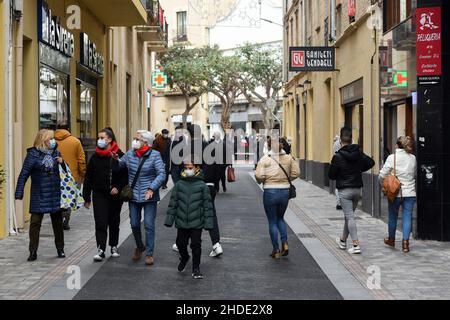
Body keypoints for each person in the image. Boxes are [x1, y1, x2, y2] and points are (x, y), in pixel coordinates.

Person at [113, 130, 166, 266]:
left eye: (137, 139)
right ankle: (139, 246)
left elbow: (161, 174)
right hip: (133, 195)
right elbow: (120, 166)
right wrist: (115, 160)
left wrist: (151, 188)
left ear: (146, 143)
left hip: (149, 196)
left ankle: (149, 253)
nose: (135, 141)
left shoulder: (155, 155)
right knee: (134, 224)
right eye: (134, 138)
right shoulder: (130, 153)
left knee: (149, 225)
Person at [15, 129, 65, 261]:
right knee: (35, 223)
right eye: (51, 138)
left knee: (58, 223)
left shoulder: (56, 153)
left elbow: (65, 174)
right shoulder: (33, 155)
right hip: (39, 194)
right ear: (43, 140)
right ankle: (33, 251)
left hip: (55, 193)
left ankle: (60, 249)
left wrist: (62, 163)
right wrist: (19, 193)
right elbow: (23, 174)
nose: (54, 141)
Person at [83, 128, 128, 262]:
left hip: (114, 194)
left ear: (109, 139)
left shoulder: (119, 154)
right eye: (99, 138)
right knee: (100, 221)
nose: (99, 140)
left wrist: (117, 187)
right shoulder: (95, 156)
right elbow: (88, 177)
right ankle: (101, 250)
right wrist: (86, 197)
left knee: (114, 220)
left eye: (102, 138)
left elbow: (125, 175)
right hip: (99, 193)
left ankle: (113, 246)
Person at [164, 158, 214, 279]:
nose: (188, 170)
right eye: (186, 167)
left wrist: (208, 223)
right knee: (180, 243)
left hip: (197, 221)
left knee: (196, 244)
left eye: (190, 168)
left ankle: (196, 268)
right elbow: (173, 203)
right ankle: (185, 257)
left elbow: (207, 206)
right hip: (181, 221)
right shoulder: (179, 185)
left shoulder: (202, 186)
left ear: (197, 168)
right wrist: (169, 220)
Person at [328, 127, 375, 255]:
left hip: (344, 190)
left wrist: (340, 172)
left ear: (340, 140)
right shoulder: (358, 153)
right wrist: (359, 168)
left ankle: (355, 244)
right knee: (349, 217)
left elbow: (331, 175)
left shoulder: (337, 156)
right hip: (357, 189)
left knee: (350, 217)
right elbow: (371, 162)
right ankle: (343, 241)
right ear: (351, 139)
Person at [255, 137, 300, 258]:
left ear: (269, 146)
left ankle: (276, 249)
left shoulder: (265, 159)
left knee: (272, 221)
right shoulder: (289, 158)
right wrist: (285, 180)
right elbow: (296, 173)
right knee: (280, 218)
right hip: (284, 192)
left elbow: (259, 176)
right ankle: (285, 243)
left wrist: (265, 180)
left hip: (270, 192)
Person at [379, 136, 416, 253]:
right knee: (407, 217)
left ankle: (391, 239)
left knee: (393, 216)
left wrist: (384, 184)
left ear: (397, 145)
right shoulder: (413, 158)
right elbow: (414, 173)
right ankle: (405, 243)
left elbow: (381, 175)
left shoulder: (392, 157)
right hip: (410, 192)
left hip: (395, 192)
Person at [55, 124, 86, 230]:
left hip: (55, 175)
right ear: (68, 129)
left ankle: (58, 218)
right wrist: (82, 173)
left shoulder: (51, 141)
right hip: (71, 175)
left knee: (57, 197)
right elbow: (81, 160)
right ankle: (65, 219)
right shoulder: (75, 141)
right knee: (69, 197)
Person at [332, 135, 342, 210]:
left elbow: (334, 156)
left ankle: (339, 203)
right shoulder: (352, 142)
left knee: (338, 186)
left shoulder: (335, 144)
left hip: (339, 167)